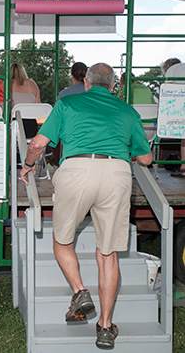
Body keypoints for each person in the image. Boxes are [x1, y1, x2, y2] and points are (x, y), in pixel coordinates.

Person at [20, 63, 152, 349]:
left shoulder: (68, 102)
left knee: (62, 239)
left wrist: (28, 165)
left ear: (87, 83)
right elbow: (146, 159)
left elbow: (39, 142)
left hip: (77, 169)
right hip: (117, 173)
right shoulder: (128, 111)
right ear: (113, 86)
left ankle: (80, 291)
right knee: (108, 253)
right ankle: (105, 327)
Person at [162, 58, 185, 178]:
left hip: (182, 105)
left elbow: (168, 90)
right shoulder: (181, 68)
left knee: (184, 136)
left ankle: (184, 166)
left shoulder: (172, 70)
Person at [10, 62, 41, 138]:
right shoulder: (32, 84)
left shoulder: (8, 84)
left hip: (14, 126)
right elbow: (38, 105)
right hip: (31, 126)